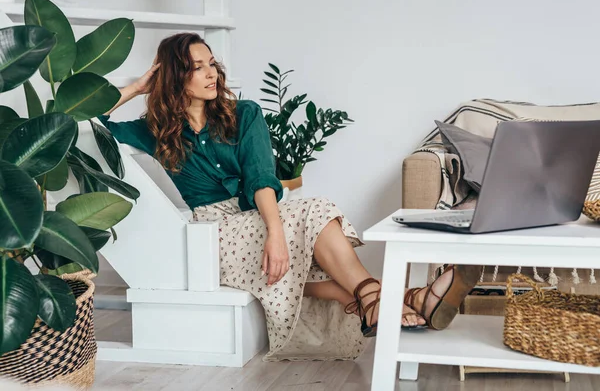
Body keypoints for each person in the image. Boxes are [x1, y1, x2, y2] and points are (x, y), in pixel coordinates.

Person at [98, 32, 480, 361]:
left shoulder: (242, 114)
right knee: (312, 220)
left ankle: (375, 300)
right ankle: (403, 297)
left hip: (256, 214)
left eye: (212, 63)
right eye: (197, 66)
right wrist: (137, 87)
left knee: (311, 216)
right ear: (175, 74)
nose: (211, 72)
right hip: (212, 234)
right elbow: (84, 120)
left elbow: (262, 178)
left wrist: (275, 232)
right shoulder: (156, 130)